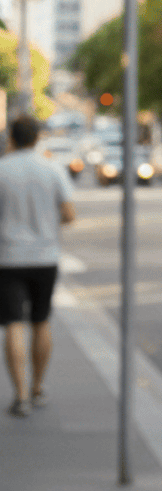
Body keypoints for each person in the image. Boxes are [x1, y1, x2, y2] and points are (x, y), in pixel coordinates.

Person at [0, 114, 77, 417]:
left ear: (12, 138)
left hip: (7, 258)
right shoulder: (52, 168)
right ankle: (38, 387)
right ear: (37, 138)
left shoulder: (1, 170)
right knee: (41, 321)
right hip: (45, 257)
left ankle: (20, 396)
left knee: (13, 324)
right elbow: (69, 214)